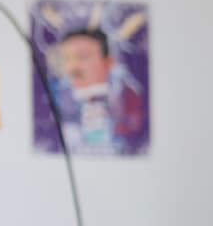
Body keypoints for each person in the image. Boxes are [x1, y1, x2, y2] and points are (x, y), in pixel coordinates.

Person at [57, 26, 146, 154]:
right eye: (67, 58)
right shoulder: (60, 99)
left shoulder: (128, 98)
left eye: (83, 57)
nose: (73, 66)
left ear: (108, 63)